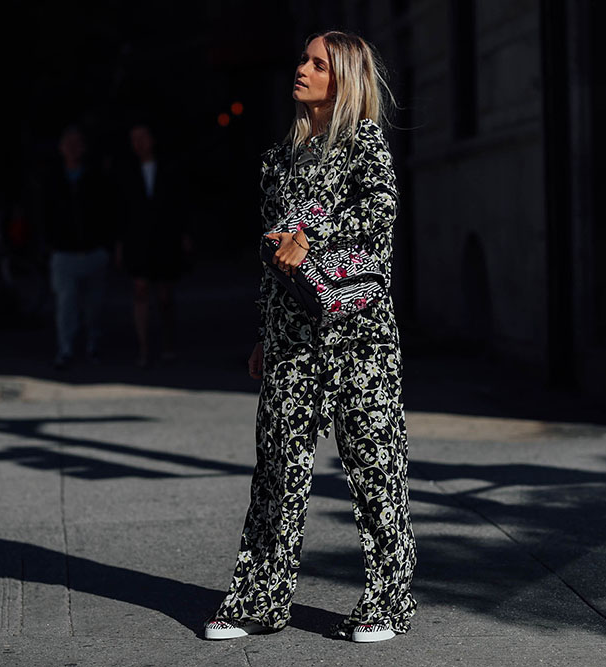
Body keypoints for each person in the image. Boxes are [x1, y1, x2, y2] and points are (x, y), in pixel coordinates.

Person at [203, 31, 416, 643]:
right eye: (301, 58)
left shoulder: (364, 145)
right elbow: (273, 265)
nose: (301, 69)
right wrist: (263, 337)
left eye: (317, 63)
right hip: (291, 338)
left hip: (358, 335)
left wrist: (311, 236)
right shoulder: (279, 161)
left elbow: (380, 211)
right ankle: (259, 600)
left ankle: (389, 601)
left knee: (375, 468)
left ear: (342, 78)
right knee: (276, 468)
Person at [116, 123, 191, 367]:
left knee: (164, 295)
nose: (138, 144)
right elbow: (120, 209)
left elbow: (181, 202)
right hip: (137, 239)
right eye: (134, 139)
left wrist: (185, 234)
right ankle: (144, 348)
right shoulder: (126, 171)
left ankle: (168, 343)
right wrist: (119, 243)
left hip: (164, 237)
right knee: (139, 290)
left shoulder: (169, 167)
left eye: (142, 138)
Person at [43, 124, 114, 369]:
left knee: (94, 304)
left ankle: (93, 343)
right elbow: (44, 213)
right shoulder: (52, 178)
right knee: (66, 303)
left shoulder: (95, 176)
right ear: (61, 148)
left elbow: (108, 211)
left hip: (93, 250)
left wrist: (107, 244)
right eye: (68, 144)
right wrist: (50, 243)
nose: (72, 149)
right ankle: (66, 348)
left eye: (77, 144)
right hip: (64, 251)